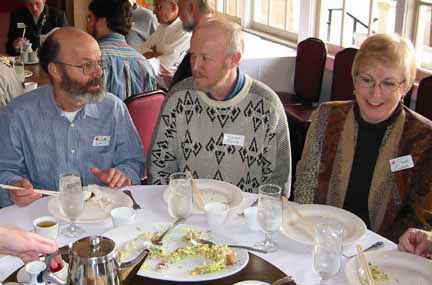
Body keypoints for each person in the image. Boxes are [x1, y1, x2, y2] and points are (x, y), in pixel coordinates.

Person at [294, 33, 432, 242]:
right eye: (366, 80)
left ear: (404, 87)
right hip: (321, 238)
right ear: (354, 79)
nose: (375, 93)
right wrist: (306, 233)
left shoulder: (423, 137)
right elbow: (306, 183)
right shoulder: (327, 116)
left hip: (385, 251)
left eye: (388, 83)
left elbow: (421, 215)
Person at [0, 27, 145, 208]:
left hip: (101, 212)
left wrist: (123, 174)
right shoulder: (17, 115)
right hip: (42, 216)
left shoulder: (113, 110)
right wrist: (14, 188)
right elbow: (5, 170)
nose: (98, 72)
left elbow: (134, 161)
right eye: (87, 65)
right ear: (55, 70)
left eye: (99, 63)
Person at [148, 17, 291, 194]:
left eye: (205, 59)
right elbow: (159, 168)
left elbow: (277, 185)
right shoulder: (178, 99)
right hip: (187, 213)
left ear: (234, 59)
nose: (195, 66)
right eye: (192, 56)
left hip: (244, 217)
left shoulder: (266, 107)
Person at [87, 0, 156, 100]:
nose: (87, 25)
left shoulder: (92, 60)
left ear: (102, 21)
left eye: (90, 19)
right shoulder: (145, 64)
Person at [170, 0, 214, 86]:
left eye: (180, 8)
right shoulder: (199, 35)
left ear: (191, 7)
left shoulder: (209, 42)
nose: (178, 15)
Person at [141, 0, 191, 73]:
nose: (154, 12)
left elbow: (165, 64)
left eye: (158, 7)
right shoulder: (162, 26)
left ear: (173, 7)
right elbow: (142, 50)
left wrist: (152, 53)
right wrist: (158, 55)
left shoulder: (185, 30)